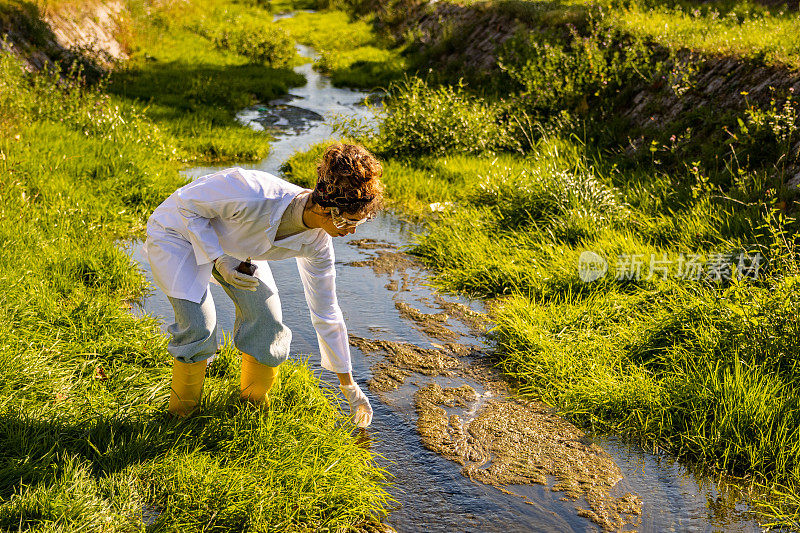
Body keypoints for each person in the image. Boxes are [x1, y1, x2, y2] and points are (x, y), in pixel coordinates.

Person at [143, 143, 383, 427]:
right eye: (350, 221)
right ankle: (181, 419)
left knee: (269, 324)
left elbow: (326, 312)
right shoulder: (254, 192)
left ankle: (251, 411)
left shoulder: (318, 244)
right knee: (198, 326)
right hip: (177, 234)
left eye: (361, 222)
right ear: (328, 207)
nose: (353, 231)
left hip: (234, 247)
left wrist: (348, 385)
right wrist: (219, 259)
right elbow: (186, 206)